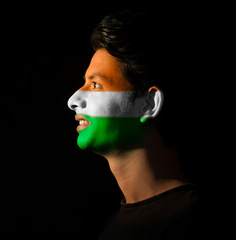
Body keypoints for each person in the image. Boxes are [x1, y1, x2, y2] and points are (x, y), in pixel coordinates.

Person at [67, 9, 212, 239]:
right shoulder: (110, 226)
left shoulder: (196, 221)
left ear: (148, 104)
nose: (73, 100)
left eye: (95, 85)